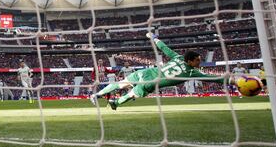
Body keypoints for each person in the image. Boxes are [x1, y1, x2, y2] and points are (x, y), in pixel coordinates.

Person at [90, 33, 230, 110]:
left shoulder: (178, 57)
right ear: (190, 61)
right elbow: (213, 78)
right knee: (131, 94)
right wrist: (231, 80)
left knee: (121, 84)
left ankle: (97, 95)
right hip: (151, 82)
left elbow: (164, 48)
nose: (199, 62)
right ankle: (115, 103)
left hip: (147, 73)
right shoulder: (192, 72)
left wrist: (153, 38)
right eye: (197, 60)